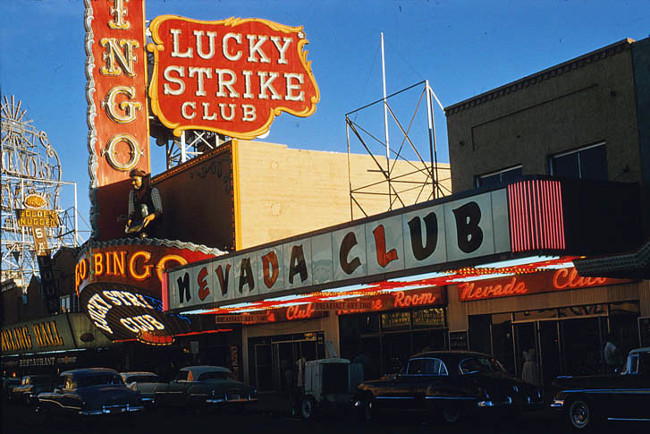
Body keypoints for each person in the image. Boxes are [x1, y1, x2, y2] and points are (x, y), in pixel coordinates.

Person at [125, 169, 163, 238]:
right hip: (137, 223)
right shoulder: (132, 194)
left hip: (151, 223)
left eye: (135, 180)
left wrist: (150, 217)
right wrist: (130, 220)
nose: (133, 183)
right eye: (132, 181)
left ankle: (146, 233)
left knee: (143, 207)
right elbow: (131, 211)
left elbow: (159, 210)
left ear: (143, 180)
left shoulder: (153, 191)